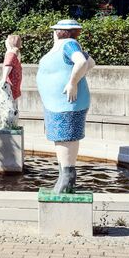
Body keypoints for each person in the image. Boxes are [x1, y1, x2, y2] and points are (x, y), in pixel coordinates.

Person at [35, 19, 92, 194]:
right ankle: (63, 176)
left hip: (67, 103)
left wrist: (73, 82)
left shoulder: (69, 44)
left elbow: (82, 62)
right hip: (56, 104)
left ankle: (67, 178)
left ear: (59, 32)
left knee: (66, 137)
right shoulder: (63, 46)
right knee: (61, 138)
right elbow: (90, 62)